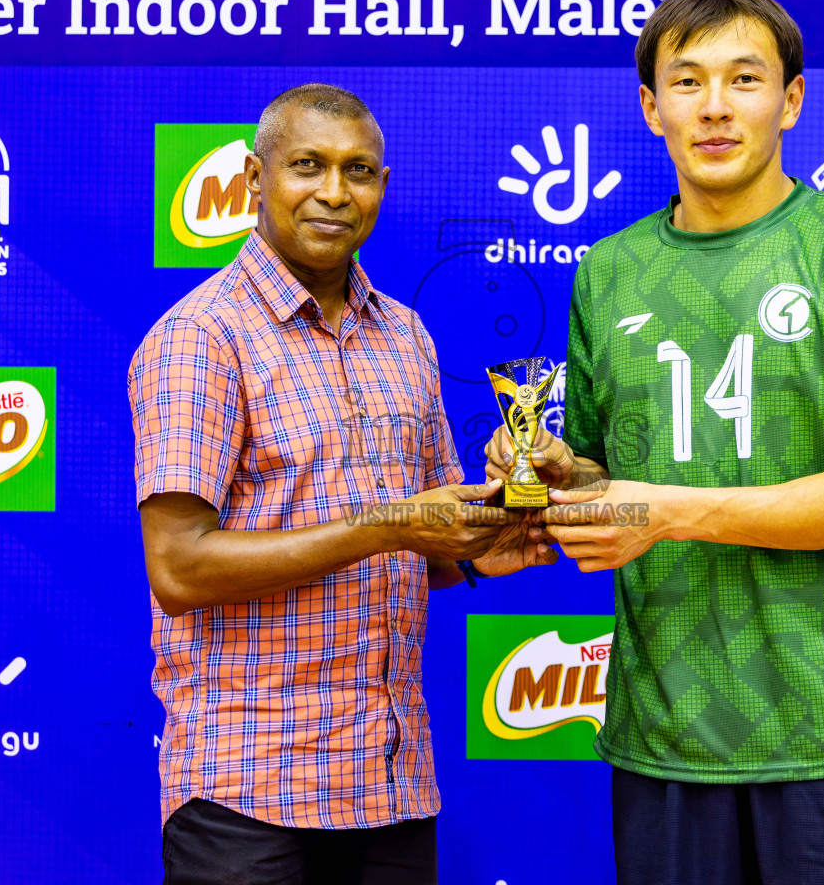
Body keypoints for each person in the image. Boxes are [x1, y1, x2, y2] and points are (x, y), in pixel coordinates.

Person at [486, 0, 824, 884]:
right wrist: (559, 470)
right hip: (665, 738)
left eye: (744, 78)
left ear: (791, 99)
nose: (714, 106)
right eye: (687, 81)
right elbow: (609, 482)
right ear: (650, 107)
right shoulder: (610, 272)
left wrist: (672, 512)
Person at [130, 83, 552, 885]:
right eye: (306, 166)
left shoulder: (406, 335)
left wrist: (484, 546)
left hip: (389, 784)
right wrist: (390, 525)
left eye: (358, 171)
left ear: (382, 189)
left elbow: (425, 543)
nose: (334, 192)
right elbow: (179, 569)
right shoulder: (200, 337)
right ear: (255, 180)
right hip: (248, 790)